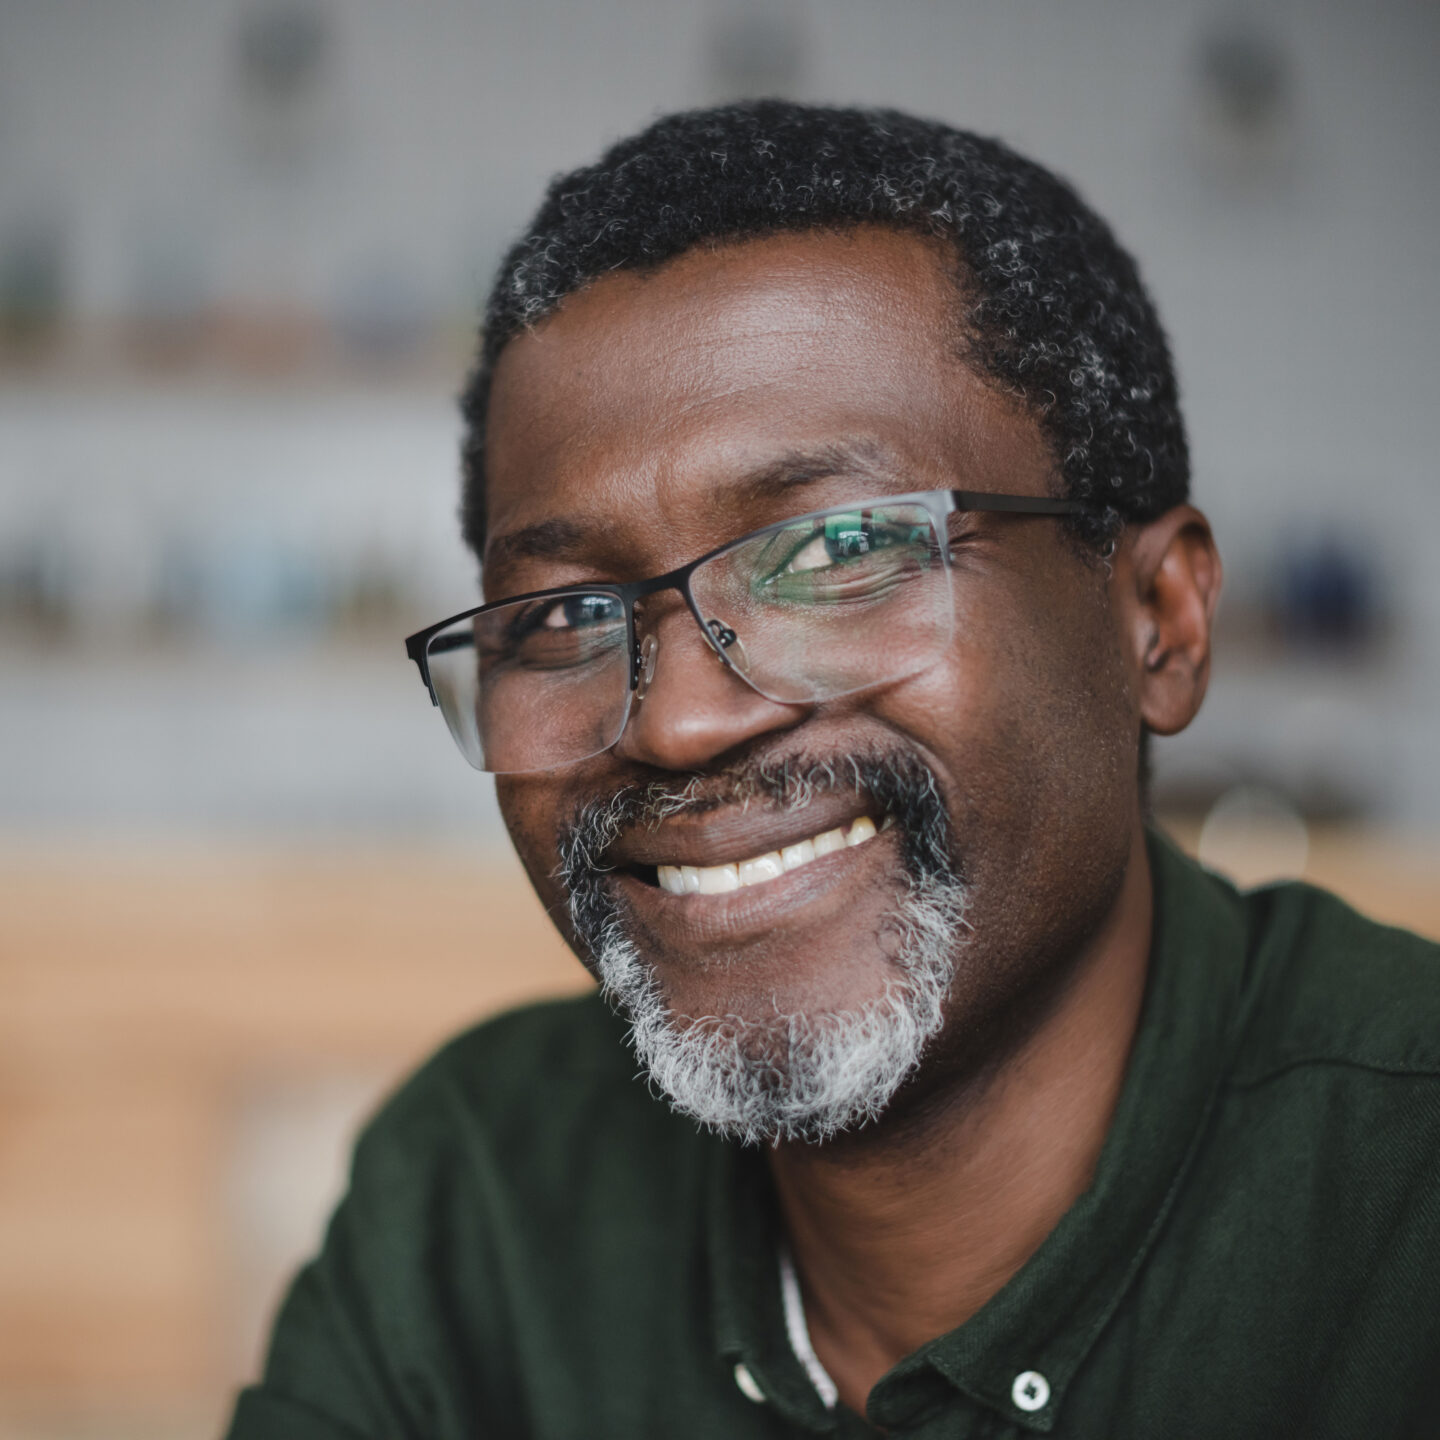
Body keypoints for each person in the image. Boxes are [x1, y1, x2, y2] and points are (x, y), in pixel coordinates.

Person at [227, 102, 1440, 1439]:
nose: (678, 724)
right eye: (565, 619)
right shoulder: (479, 1202)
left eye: (833, 552)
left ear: (1159, 617)